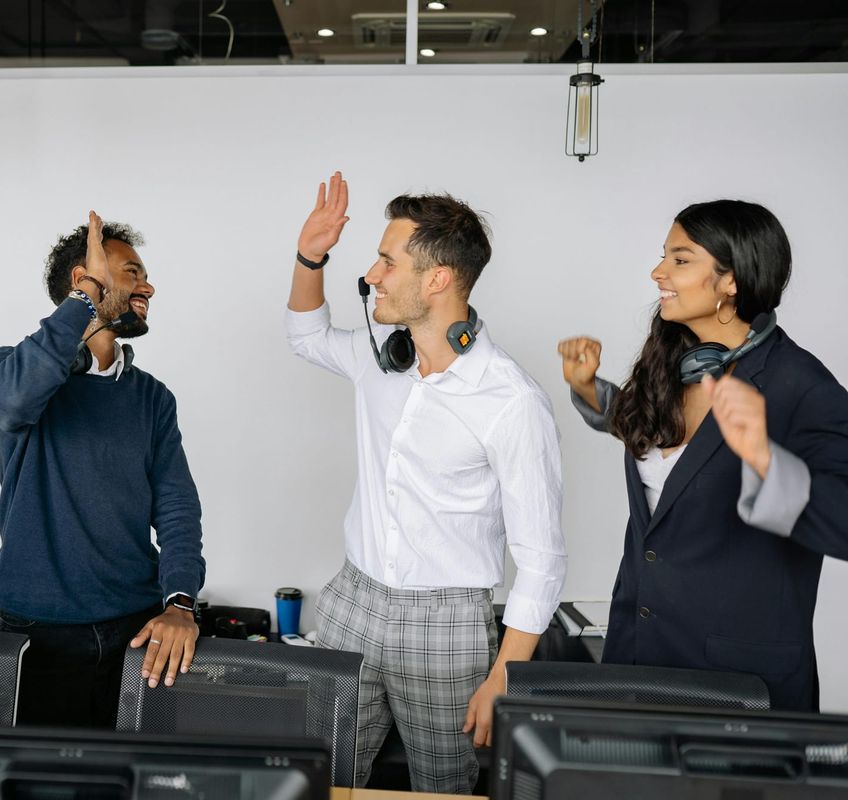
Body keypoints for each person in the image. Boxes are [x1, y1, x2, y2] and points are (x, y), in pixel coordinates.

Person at [286, 172, 567, 793]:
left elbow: (542, 559)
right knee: (315, 777)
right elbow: (305, 336)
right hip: (351, 603)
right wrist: (311, 255)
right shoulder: (379, 353)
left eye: (388, 261)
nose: (372, 275)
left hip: (447, 623)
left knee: (444, 788)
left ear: (437, 279)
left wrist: (503, 676)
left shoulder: (512, 401)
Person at [558, 199, 848, 711]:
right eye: (663, 256)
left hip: (739, 684)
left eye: (680, 259)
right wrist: (589, 391)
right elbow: (657, 443)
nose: (658, 272)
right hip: (639, 657)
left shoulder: (802, 385)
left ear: (730, 280)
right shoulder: (679, 360)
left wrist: (763, 457)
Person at [0, 211, 205, 728]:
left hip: (140, 630)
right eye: (130, 272)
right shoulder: (12, 370)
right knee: (45, 782)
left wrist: (180, 604)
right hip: (40, 633)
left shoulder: (152, 397)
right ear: (87, 283)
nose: (148, 285)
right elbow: (14, 401)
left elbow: (176, 509)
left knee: (140, 779)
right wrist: (87, 296)